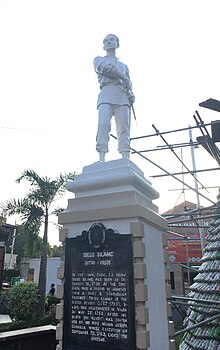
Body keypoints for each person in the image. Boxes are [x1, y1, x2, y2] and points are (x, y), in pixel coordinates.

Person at [93, 34, 135, 162]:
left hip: (122, 96)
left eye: (112, 40)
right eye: (106, 40)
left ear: (117, 44)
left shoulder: (124, 66)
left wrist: (131, 94)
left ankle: (125, 155)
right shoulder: (98, 59)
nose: (109, 42)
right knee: (103, 124)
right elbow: (106, 69)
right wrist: (123, 77)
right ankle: (101, 155)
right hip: (106, 92)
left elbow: (129, 84)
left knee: (123, 128)